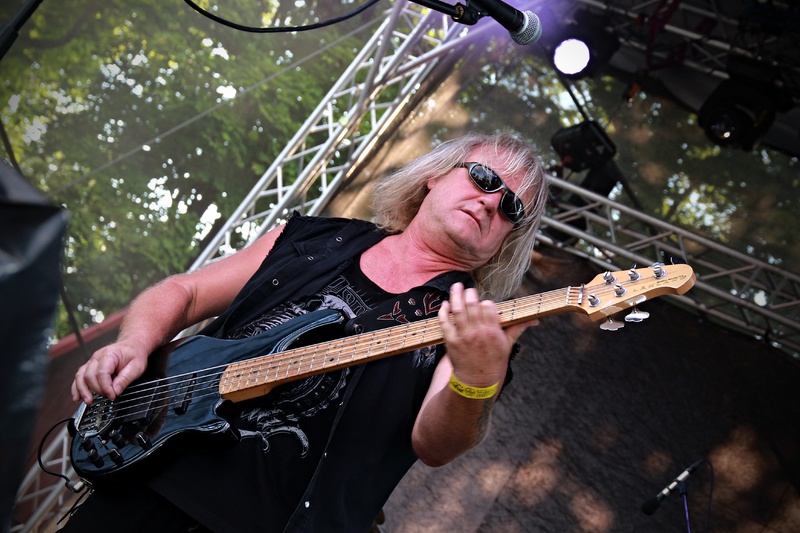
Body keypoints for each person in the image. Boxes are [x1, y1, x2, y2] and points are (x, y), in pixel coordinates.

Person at [66, 132, 549, 532]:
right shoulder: (312, 238)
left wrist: (475, 381)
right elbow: (185, 292)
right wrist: (133, 344)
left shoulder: (475, 327)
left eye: (512, 207)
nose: (491, 202)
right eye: (484, 177)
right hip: (146, 477)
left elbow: (435, 446)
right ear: (435, 175)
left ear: (507, 240)